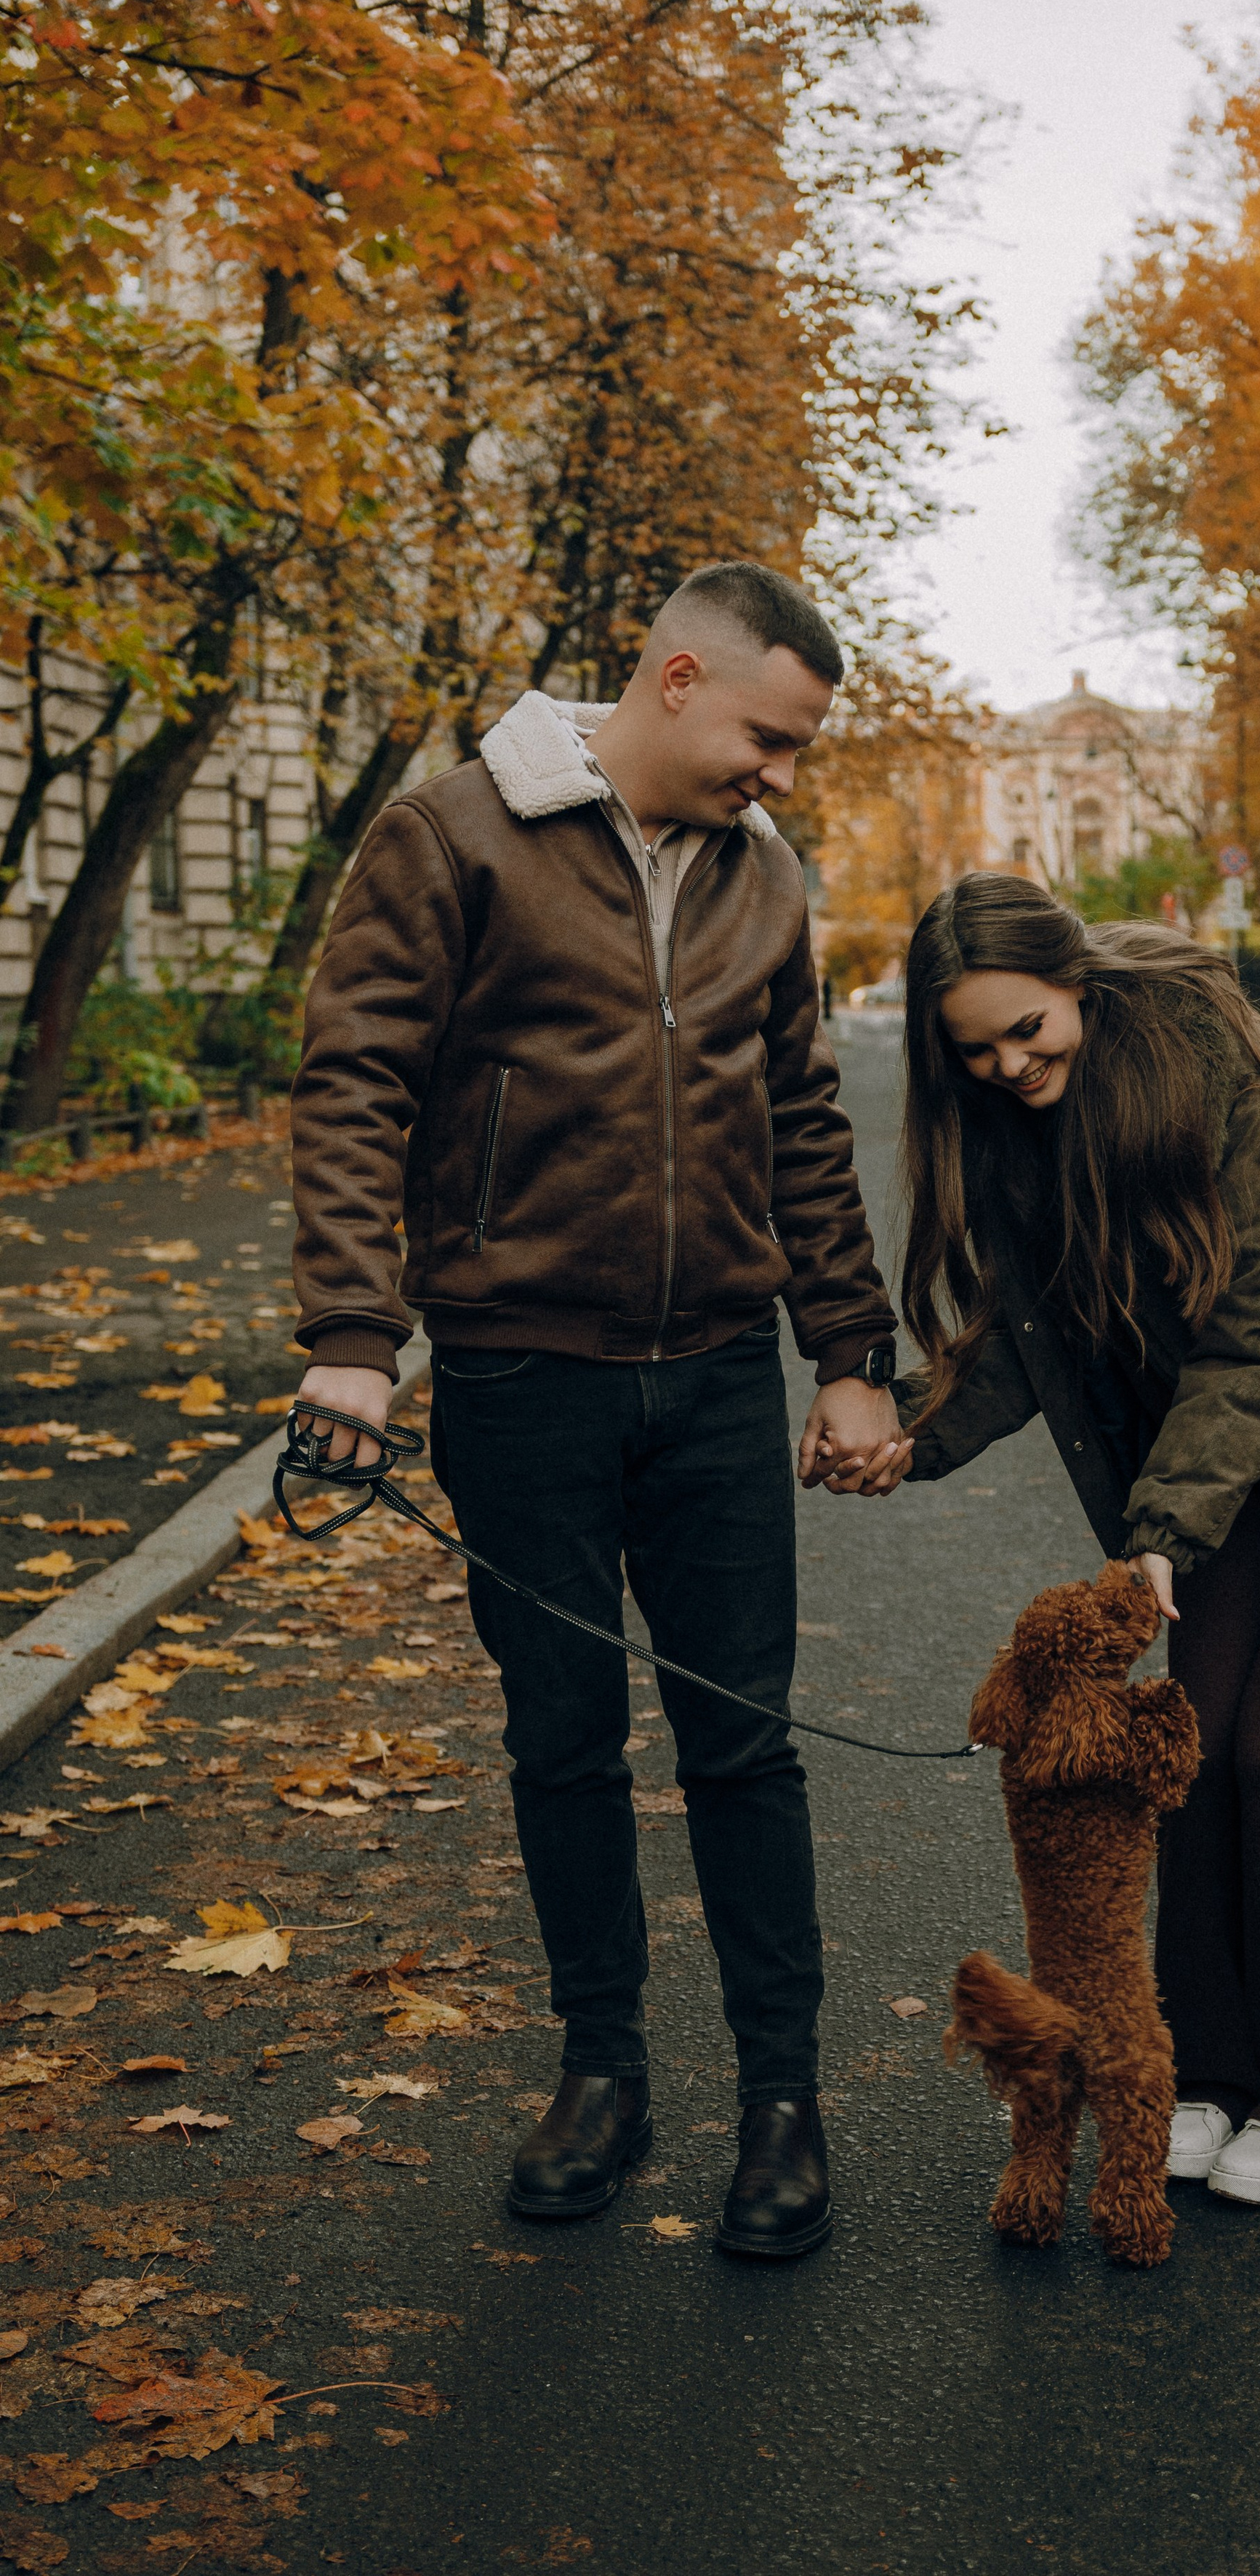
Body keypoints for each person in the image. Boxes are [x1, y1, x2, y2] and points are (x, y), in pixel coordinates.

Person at [288, 561, 912, 2260]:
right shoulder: (451, 837)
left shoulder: (762, 876)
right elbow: (355, 1082)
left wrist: (848, 1355)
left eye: (795, 754)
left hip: (712, 1375)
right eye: (768, 740)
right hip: (517, 1379)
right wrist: (356, 1332)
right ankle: (602, 2073)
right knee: (560, 1737)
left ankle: (780, 2101)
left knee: (743, 1741)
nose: (778, 776)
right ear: (681, 677)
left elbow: (800, 1124)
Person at [879, 871, 1260, 2208]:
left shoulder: (1213, 1068)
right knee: (1192, 1755)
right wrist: (910, 1439)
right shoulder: (1007, 1123)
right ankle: (1206, 2074)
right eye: (974, 1050)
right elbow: (1027, 1332)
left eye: (1029, 1030)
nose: (1010, 1066)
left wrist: (1163, 1529)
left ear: (1077, 984)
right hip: (1229, 1453)